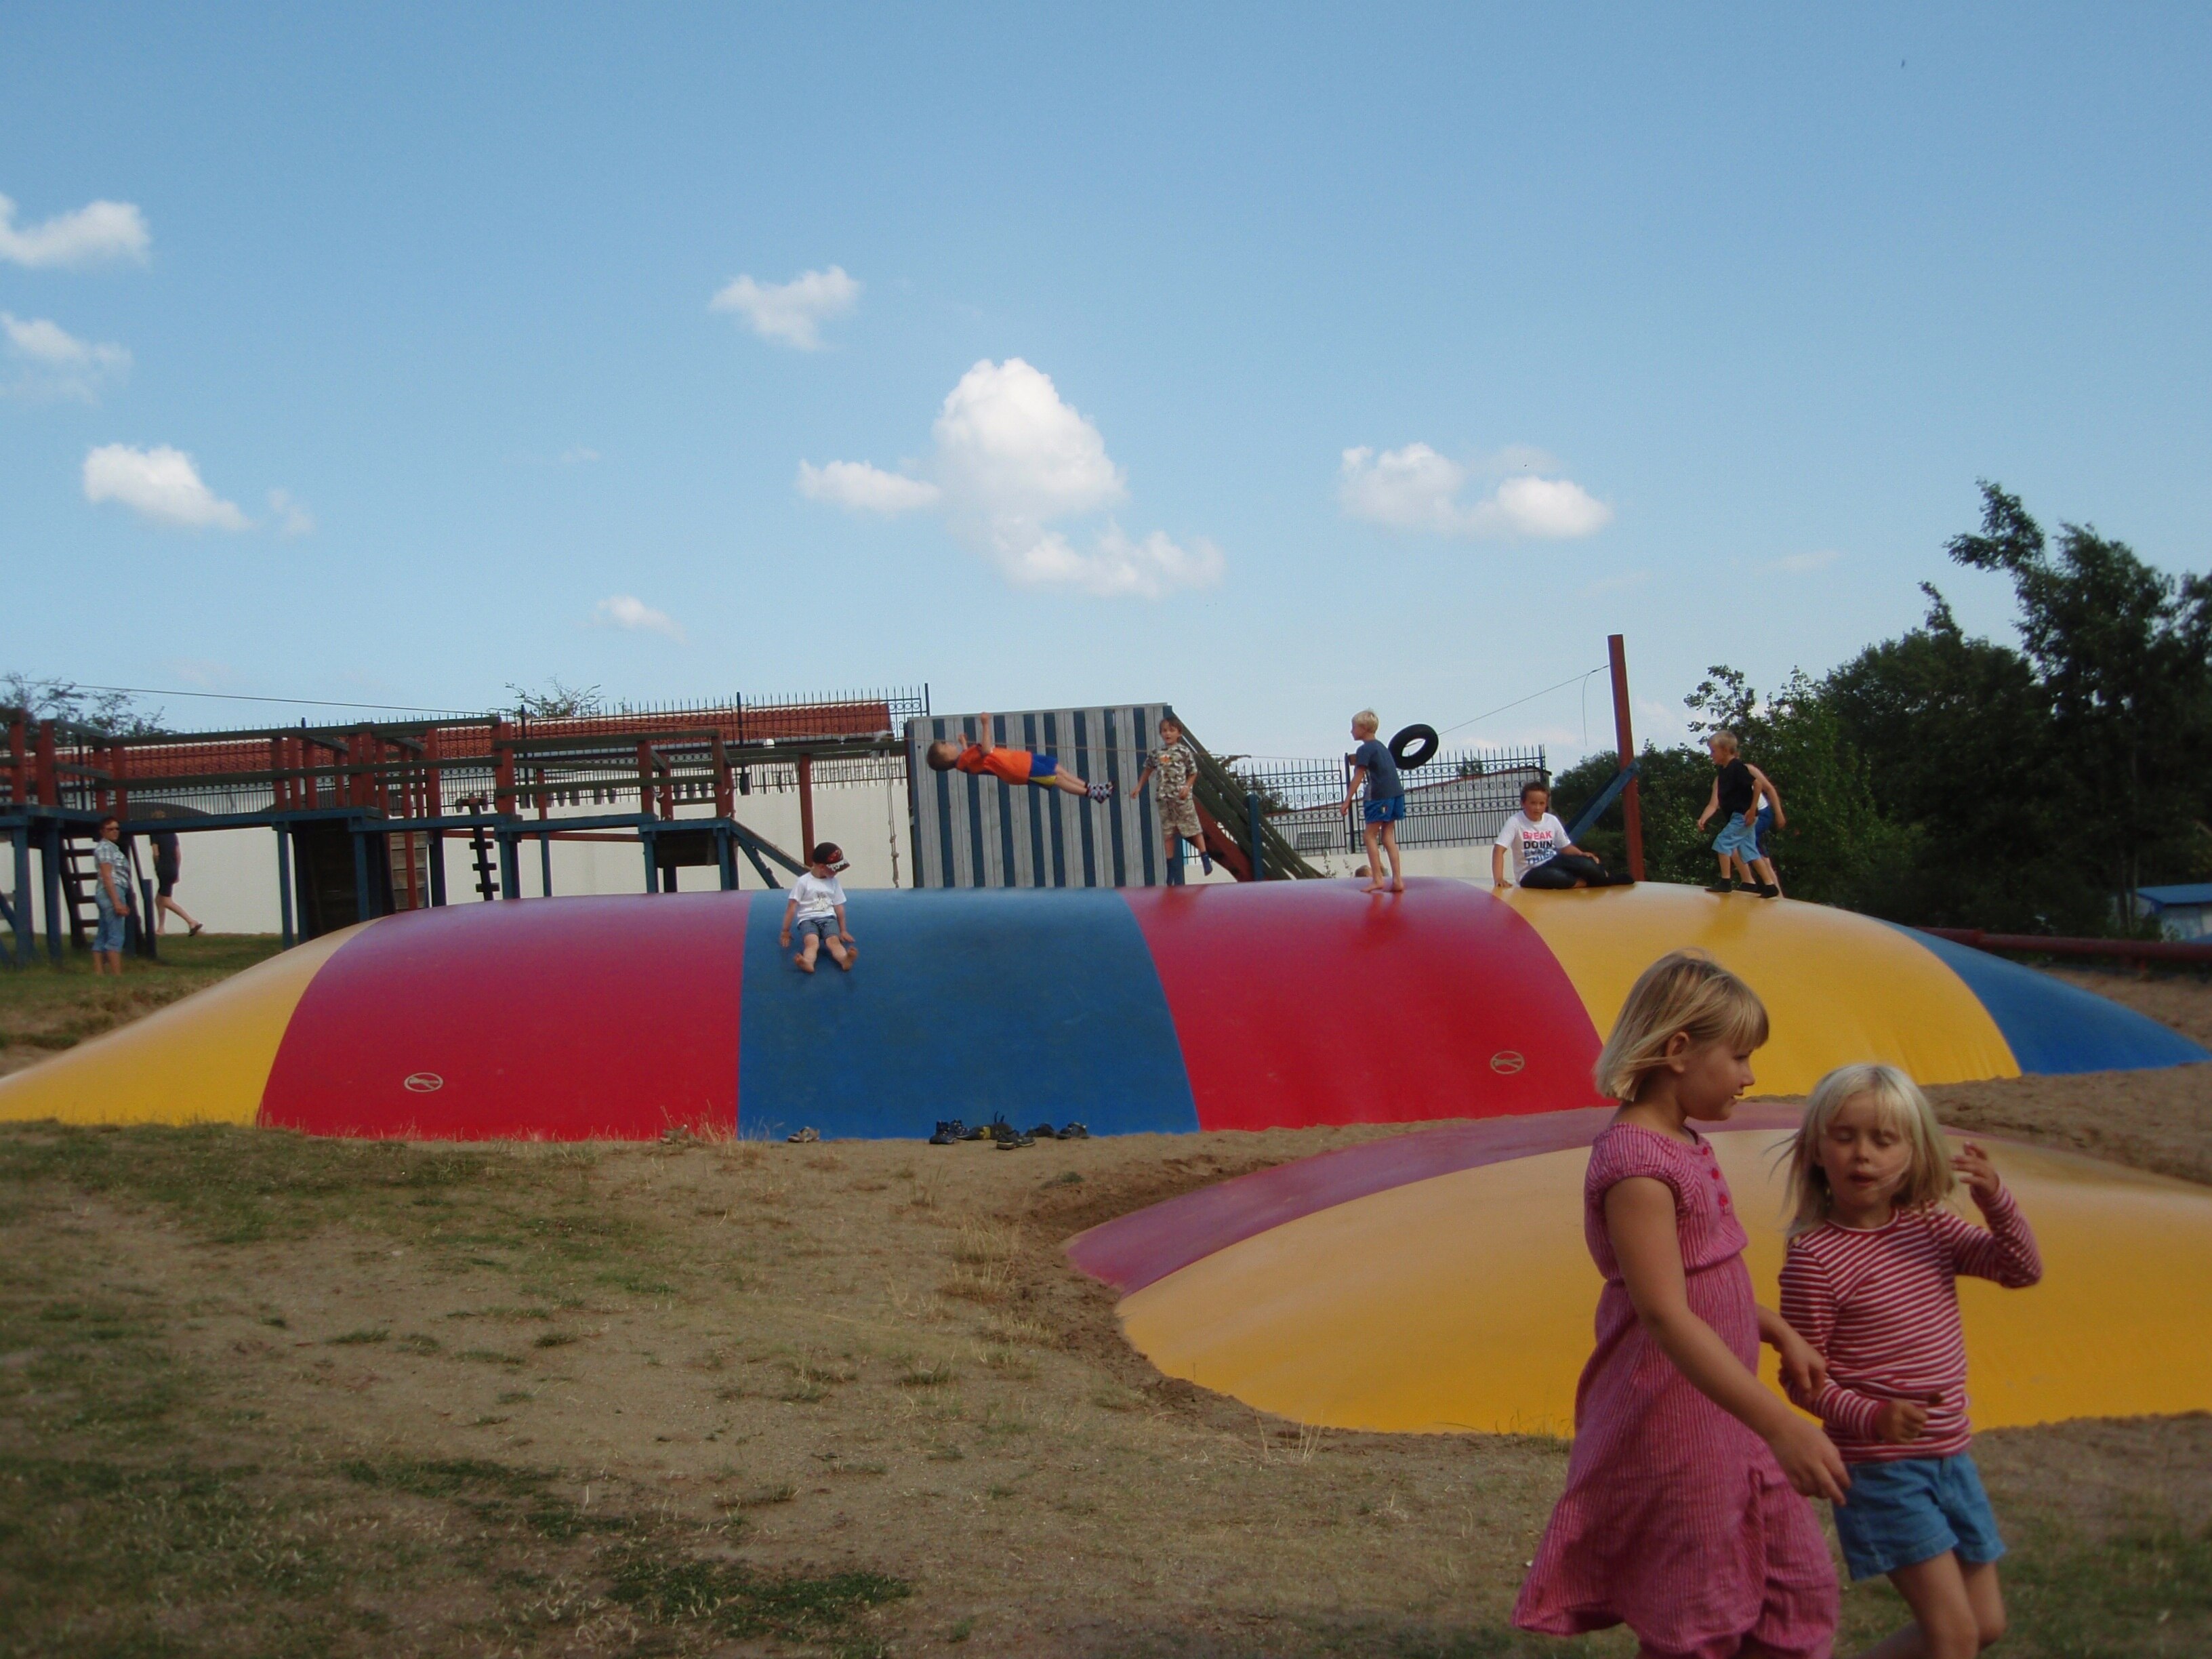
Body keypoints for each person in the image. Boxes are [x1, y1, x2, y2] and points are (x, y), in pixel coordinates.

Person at [1515, 950, 1844, 1659]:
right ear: (1678, 1051)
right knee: (1699, 1617)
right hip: (1674, 1421)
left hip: (1726, 1414)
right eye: (1740, 1056)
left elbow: (1704, 1281)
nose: (1751, 1077)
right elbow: (1665, 1315)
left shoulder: (1685, 1142)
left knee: (1798, 1593)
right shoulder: (1637, 1164)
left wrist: (1777, 1330)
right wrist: (1782, 1427)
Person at [1778, 1065, 2042, 1659]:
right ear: (1816, 1149)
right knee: (1953, 1639)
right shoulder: (1815, 1260)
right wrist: (1872, 1417)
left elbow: (2020, 1269)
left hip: (1952, 1455)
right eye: (1843, 1136)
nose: (1862, 1155)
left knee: (1985, 1624)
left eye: (1883, 1139)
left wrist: (1995, 1199)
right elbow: (1802, 1383)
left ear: (1914, 1151)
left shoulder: (1932, 1228)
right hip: (1883, 1471)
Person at [924, 715, 1115, 802]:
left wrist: (964, 743)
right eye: (944, 746)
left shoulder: (963, 761)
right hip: (1018, 770)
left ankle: (1090, 787)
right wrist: (985, 724)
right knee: (1056, 778)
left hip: (1021, 760)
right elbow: (986, 750)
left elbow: (972, 759)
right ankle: (1092, 794)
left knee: (1056, 767)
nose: (948, 744)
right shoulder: (963, 761)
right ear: (946, 758)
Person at [1492, 781, 1633, 890]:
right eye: (1533, 803)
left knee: (1587, 863)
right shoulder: (1515, 822)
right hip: (1529, 872)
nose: (1537, 808)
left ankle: (1606, 878)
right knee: (1558, 878)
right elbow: (1499, 849)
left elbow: (1565, 847)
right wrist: (1499, 878)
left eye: (1541, 804)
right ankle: (1590, 883)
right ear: (1523, 803)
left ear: (1546, 804)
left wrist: (1582, 854)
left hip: (1552, 861)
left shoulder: (1551, 820)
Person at [1696, 731, 1781, 897]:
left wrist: (1752, 809)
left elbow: (1756, 785)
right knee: (1749, 850)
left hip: (1742, 815)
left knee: (1722, 843)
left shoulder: (1737, 767)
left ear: (1726, 750)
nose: (1711, 755)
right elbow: (1715, 803)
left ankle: (1725, 881)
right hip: (1739, 815)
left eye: (1714, 751)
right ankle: (1770, 886)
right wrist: (1704, 818)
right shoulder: (1723, 772)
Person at [1132, 715, 1211, 880]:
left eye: (1171, 730)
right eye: (1164, 731)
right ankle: (1171, 870)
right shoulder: (1157, 753)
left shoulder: (1183, 751)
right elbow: (1148, 769)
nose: (1167, 734)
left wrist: (1187, 787)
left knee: (1193, 828)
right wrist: (1139, 786)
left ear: (1178, 733)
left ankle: (1205, 858)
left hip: (1181, 798)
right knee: (1168, 833)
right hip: (1164, 798)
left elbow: (1193, 772)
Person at [1337, 710, 1404, 895]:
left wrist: (1347, 801)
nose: (1351, 731)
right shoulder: (1381, 747)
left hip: (1380, 795)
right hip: (1396, 794)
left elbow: (1358, 776)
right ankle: (1397, 879)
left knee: (1369, 836)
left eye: (1354, 728)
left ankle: (1377, 878)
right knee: (1388, 835)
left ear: (1364, 729)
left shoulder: (1364, 749)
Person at [779, 843, 857, 974]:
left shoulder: (833, 882)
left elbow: (839, 907)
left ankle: (844, 960)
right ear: (821, 867)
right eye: (835, 869)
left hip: (828, 918)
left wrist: (843, 930)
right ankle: (808, 963)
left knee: (834, 942)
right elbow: (792, 906)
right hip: (808, 919)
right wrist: (785, 931)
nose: (837, 872)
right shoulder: (803, 882)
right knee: (812, 943)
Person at [90, 815, 135, 977]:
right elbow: (107, 875)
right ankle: (117, 975)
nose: (115, 832)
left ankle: (99, 973)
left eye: (117, 828)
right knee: (116, 934)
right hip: (112, 890)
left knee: (103, 932)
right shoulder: (105, 848)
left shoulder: (112, 848)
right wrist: (116, 901)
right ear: (102, 831)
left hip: (113, 890)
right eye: (110, 829)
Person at [150, 828, 204, 937]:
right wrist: (177, 871)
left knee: (166, 901)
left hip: (163, 869)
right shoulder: (171, 833)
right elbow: (178, 854)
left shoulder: (154, 832)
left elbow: (156, 853)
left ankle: (191, 921)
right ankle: (161, 928)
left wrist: (157, 866)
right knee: (158, 899)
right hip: (173, 869)